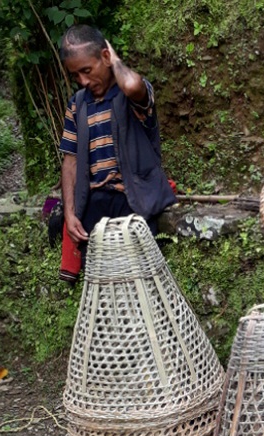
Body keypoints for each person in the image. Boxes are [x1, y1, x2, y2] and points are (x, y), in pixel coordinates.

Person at [58, 24, 176, 276]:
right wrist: (69, 214)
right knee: (101, 285)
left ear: (104, 57)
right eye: (76, 75)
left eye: (87, 71)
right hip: (94, 208)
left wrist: (116, 60)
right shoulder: (77, 105)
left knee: (141, 280)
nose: (83, 81)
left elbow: (133, 85)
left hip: (134, 202)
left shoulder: (131, 94)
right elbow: (70, 162)